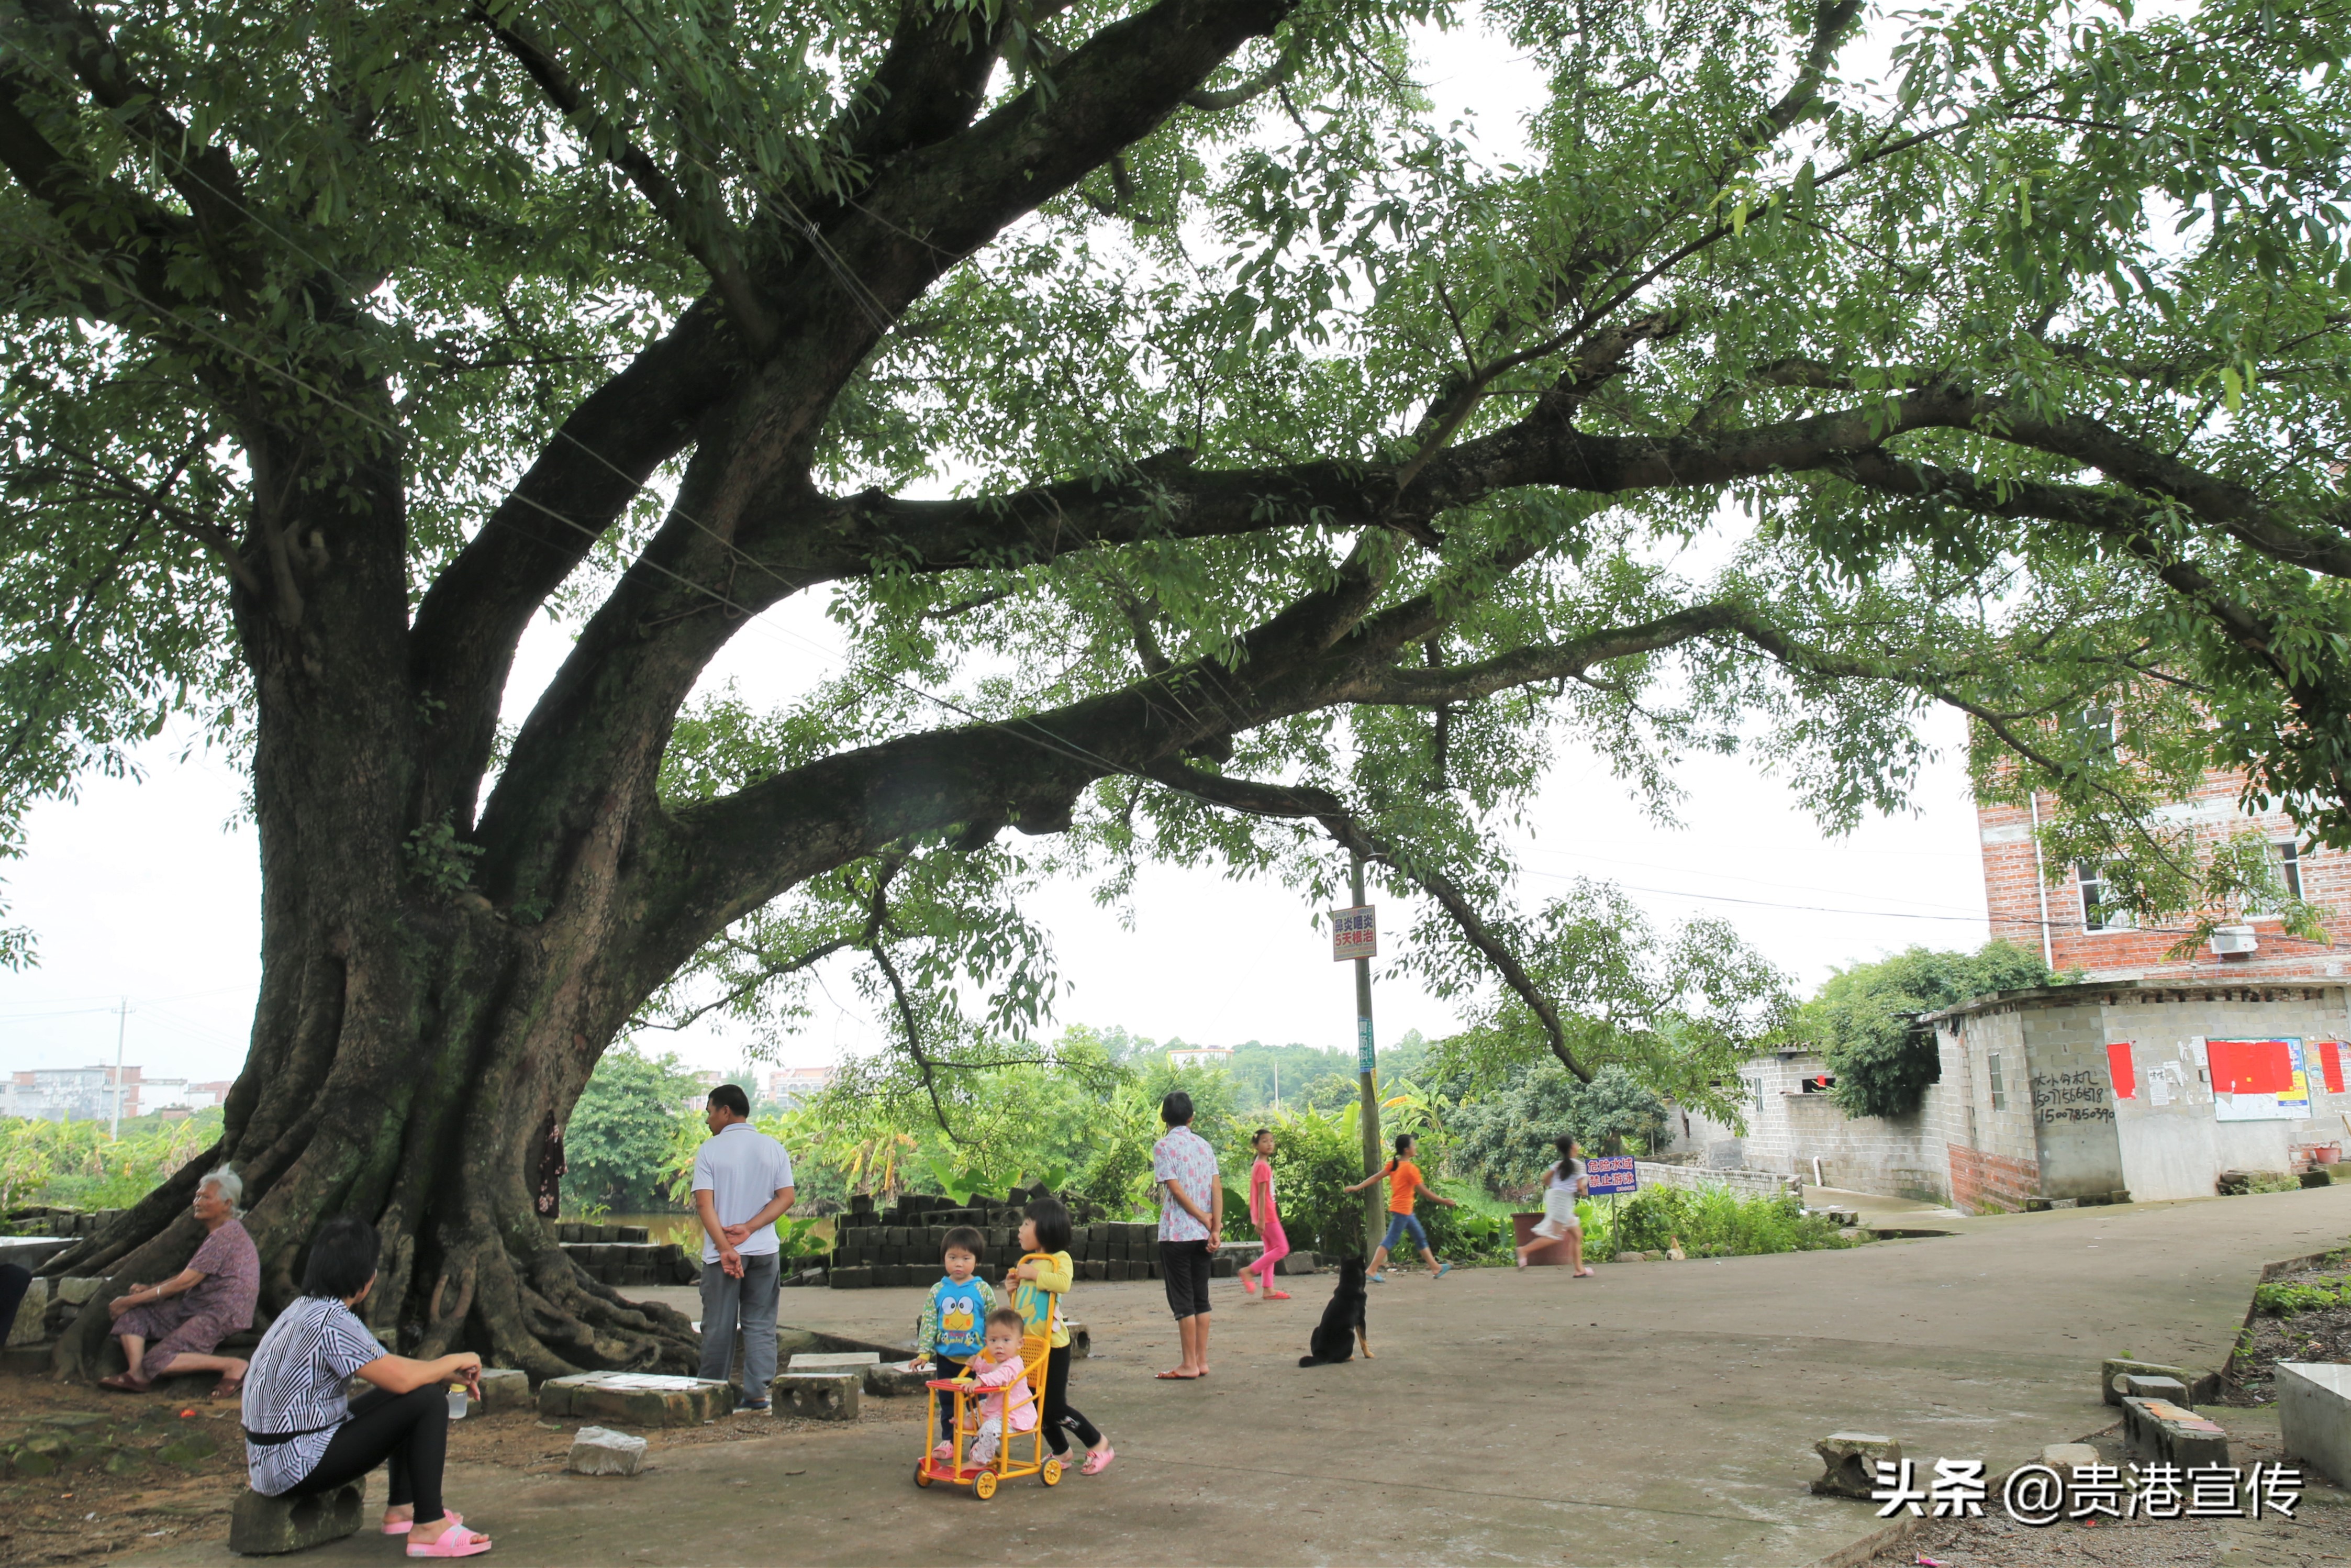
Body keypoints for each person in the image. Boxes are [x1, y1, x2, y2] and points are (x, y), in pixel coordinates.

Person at [240, 1214, 490, 1558]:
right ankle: (429, 1526)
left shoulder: (302, 1309)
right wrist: (454, 1359)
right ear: (366, 1279)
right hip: (294, 1463)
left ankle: (403, 1508)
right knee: (428, 1401)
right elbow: (401, 1377)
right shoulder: (334, 1321)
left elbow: (394, 1372)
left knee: (413, 1391)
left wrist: (440, 1372)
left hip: (271, 1457)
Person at [101, 1165, 261, 1395]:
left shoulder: (226, 1236)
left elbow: (185, 1283)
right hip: (195, 1307)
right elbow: (190, 1273)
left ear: (227, 1204)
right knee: (134, 1317)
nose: (198, 1201)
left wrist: (128, 1301)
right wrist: (150, 1290)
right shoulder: (219, 1234)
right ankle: (136, 1376)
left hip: (220, 1313)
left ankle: (233, 1366)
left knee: (157, 1360)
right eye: (197, 1196)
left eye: (206, 1197)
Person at [690, 1084, 795, 1413]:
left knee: (719, 1324)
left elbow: (705, 1207)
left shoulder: (710, 1150)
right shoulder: (773, 1148)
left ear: (725, 1111)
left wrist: (725, 1248)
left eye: (709, 1111)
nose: (708, 1120)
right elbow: (786, 1197)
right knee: (761, 1322)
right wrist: (751, 1228)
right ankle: (758, 1393)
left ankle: (713, 1393)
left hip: (722, 1256)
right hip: (764, 1251)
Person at [1005, 1196, 1113, 1474]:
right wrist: (1012, 1288)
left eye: (1027, 1224)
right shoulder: (1027, 1261)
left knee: (1053, 1406)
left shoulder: (1058, 1259)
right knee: (1034, 1405)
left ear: (1046, 1229)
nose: (1020, 1229)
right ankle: (1062, 1452)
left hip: (1053, 1346)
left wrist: (1033, 1274)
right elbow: (1023, 1305)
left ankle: (1099, 1444)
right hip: (1028, 1345)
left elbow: (1063, 1284)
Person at [1151, 1089, 1221, 1379]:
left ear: (1164, 1118)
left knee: (1183, 1300)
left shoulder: (1163, 1147)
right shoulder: (1205, 1146)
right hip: (1204, 1235)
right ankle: (1201, 1361)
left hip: (1177, 1234)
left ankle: (1188, 1364)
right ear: (1192, 1117)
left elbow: (1175, 1190)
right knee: (1201, 1297)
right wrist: (1214, 1226)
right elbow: (1216, 1187)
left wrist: (1201, 1216)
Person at [912, 1226, 995, 1446]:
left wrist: (993, 1353)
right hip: (946, 1358)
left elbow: (993, 1322)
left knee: (978, 1404)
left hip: (977, 1360)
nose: (959, 1263)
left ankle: (981, 1441)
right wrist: (924, 1354)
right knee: (948, 1403)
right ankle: (949, 1441)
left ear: (977, 1260)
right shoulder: (938, 1290)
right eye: (953, 1257)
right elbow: (929, 1323)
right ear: (944, 1259)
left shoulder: (983, 1289)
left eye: (966, 1258)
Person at [1345, 1132, 1456, 1282]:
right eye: (1413, 1145)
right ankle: (1372, 1270)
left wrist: (1358, 1187)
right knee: (1391, 1240)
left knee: (1420, 1238)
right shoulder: (1411, 1169)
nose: (1415, 1147)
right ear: (1406, 1150)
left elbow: (1376, 1177)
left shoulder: (1394, 1165)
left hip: (1405, 1210)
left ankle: (1435, 1267)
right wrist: (1443, 1201)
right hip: (1403, 1211)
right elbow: (1424, 1191)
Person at [946, 1308, 1037, 1469]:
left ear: (1020, 1343)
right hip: (999, 1409)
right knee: (979, 1407)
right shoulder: (999, 1364)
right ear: (986, 1342)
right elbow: (991, 1370)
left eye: (1006, 1341)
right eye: (994, 1341)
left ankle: (978, 1462)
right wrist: (978, 1365)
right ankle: (972, 1421)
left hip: (1014, 1414)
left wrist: (980, 1381)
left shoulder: (1015, 1365)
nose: (999, 1346)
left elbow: (1000, 1376)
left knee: (989, 1428)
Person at [1516, 1136, 1595, 1276]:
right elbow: (1580, 1188)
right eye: (1576, 1143)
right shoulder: (1578, 1165)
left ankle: (1579, 1269)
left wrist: (1558, 1187)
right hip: (1562, 1202)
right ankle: (1524, 1250)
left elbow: (1545, 1180)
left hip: (1555, 1198)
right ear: (1572, 1147)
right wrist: (1586, 1184)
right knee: (1554, 1236)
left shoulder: (1559, 1164)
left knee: (1577, 1234)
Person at [1238, 1127, 1292, 1302]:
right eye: (1264, 1141)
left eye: (1271, 1140)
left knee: (1270, 1249)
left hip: (1265, 1214)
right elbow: (1261, 1195)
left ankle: (1268, 1289)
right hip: (1267, 1214)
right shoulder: (1262, 1166)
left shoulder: (1261, 1164)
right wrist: (1262, 1219)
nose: (1269, 1144)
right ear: (1256, 1145)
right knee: (1282, 1248)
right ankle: (1249, 1271)